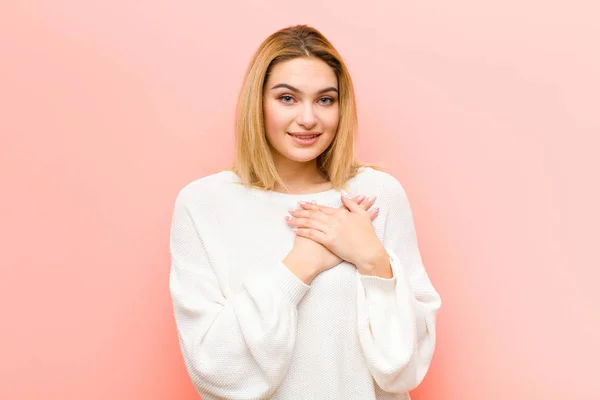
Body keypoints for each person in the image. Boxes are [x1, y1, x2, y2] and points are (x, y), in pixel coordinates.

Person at [169, 24, 442, 400]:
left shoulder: (377, 195)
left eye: (326, 100)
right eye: (287, 99)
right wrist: (300, 265)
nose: (309, 119)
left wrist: (372, 260)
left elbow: (405, 367)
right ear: (257, 103)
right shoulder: (203, 204)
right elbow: (215, 369)